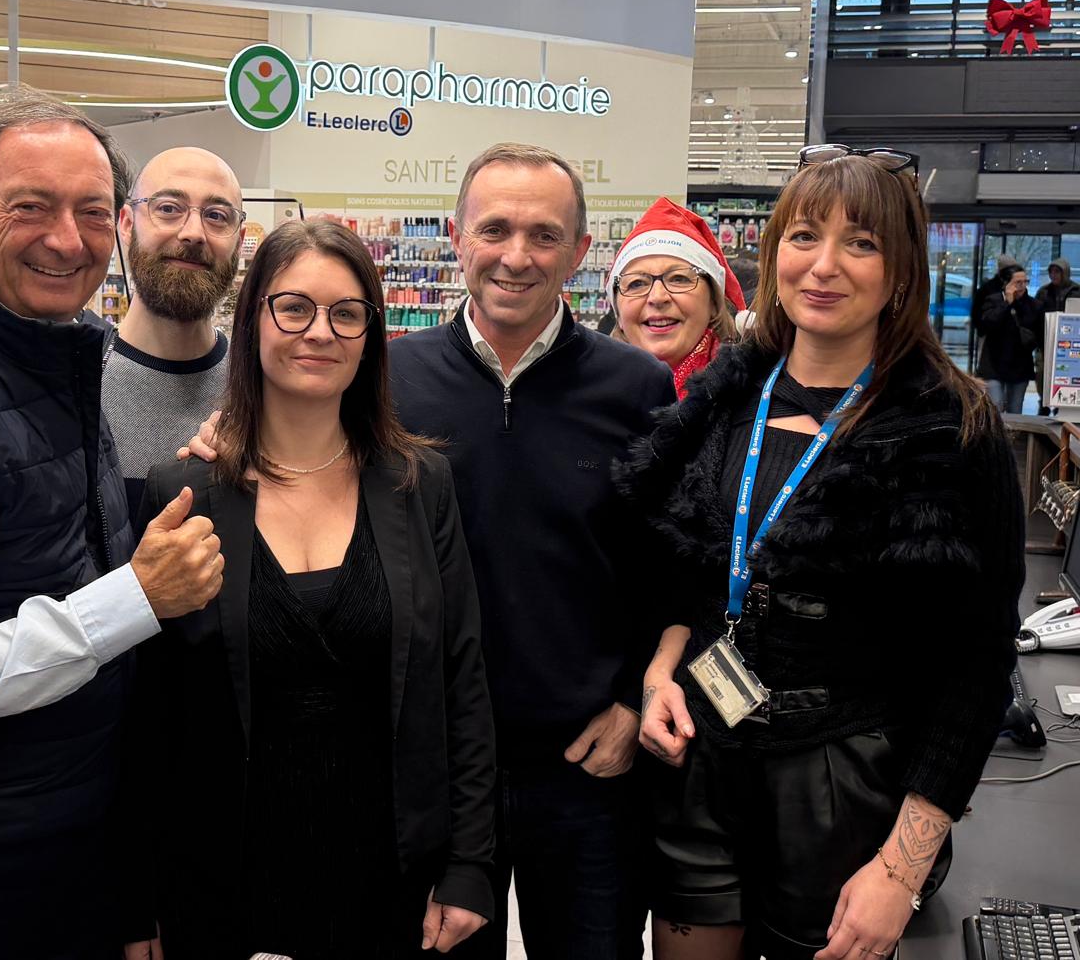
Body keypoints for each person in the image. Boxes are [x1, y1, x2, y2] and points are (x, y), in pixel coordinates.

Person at [627, 146, 1024, 960]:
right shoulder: (730, 393)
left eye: (863, 244)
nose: (826, 266)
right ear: (774, 252)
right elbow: (694, 571)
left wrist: (902, 867)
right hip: (704, 758)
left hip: (848, 790)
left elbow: (978, 665)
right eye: (805, 236)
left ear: (903, 270)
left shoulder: (953, 428)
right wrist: (663, 670)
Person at [0, 88, 225, 959]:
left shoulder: (47, 347)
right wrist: (137, 594)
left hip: (65, 821)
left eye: (92, 212)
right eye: (31, 207)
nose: (68, 240)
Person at [122, 220, 495, 960]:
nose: (318, 332)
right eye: (293, 307)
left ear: (370, 334)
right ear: (253, 315)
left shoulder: (419, 485)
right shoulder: (184, 492)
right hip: (223, 878)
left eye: (346, 312)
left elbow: (463, 683)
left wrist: (471, 866)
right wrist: (138, 901)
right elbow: (149, 716)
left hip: (391, 876)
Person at [388, 144, 677, 960]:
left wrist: (630, 701)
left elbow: (667, 568)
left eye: (545, 235)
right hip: (436, 769)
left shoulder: (637, 389)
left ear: (581, 253)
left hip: (588, 769)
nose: (517, 256)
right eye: (496, 229)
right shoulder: (385, 379)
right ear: (457, 237)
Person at [103, 147, 244, 515]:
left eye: (216, 216)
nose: (194, 233)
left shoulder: (261, 391)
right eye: (168, 209)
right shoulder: (77, 387)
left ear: (239, 242)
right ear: (127, 223)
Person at [609, 197, 746, 399]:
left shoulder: (754, 399)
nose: (657, 297)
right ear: (618, 314)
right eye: (637, 283)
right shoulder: (585, 400)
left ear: (714, 303)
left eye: (679, 279)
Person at [975, 263, 1043, 414]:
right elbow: (987, 324)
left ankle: (1014, 438)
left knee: (1015, 408)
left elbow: (1038, 334)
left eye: (1025, 282)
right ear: (1007, 283)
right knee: (995, 406)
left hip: (1019, 365)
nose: (1022, 286)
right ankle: (995, 437)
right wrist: (1007, 303)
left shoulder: (1034, 305)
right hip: (994, 364)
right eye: (1018, 282)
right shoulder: (993, 301)